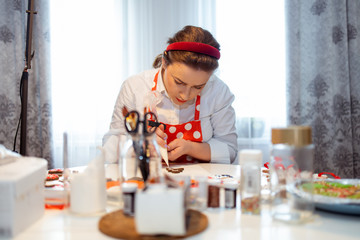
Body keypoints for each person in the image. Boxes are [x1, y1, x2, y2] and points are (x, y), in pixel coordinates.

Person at [103, 25, 238, 164]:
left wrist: (191, 148)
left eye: (198, 87)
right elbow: (110, 148)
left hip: (200, 182)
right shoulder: (135, 87)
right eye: (179, 82)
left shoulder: (218, 92)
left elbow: (230, 150)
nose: (186, 96)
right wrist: (140, 142)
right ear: (164, 63)